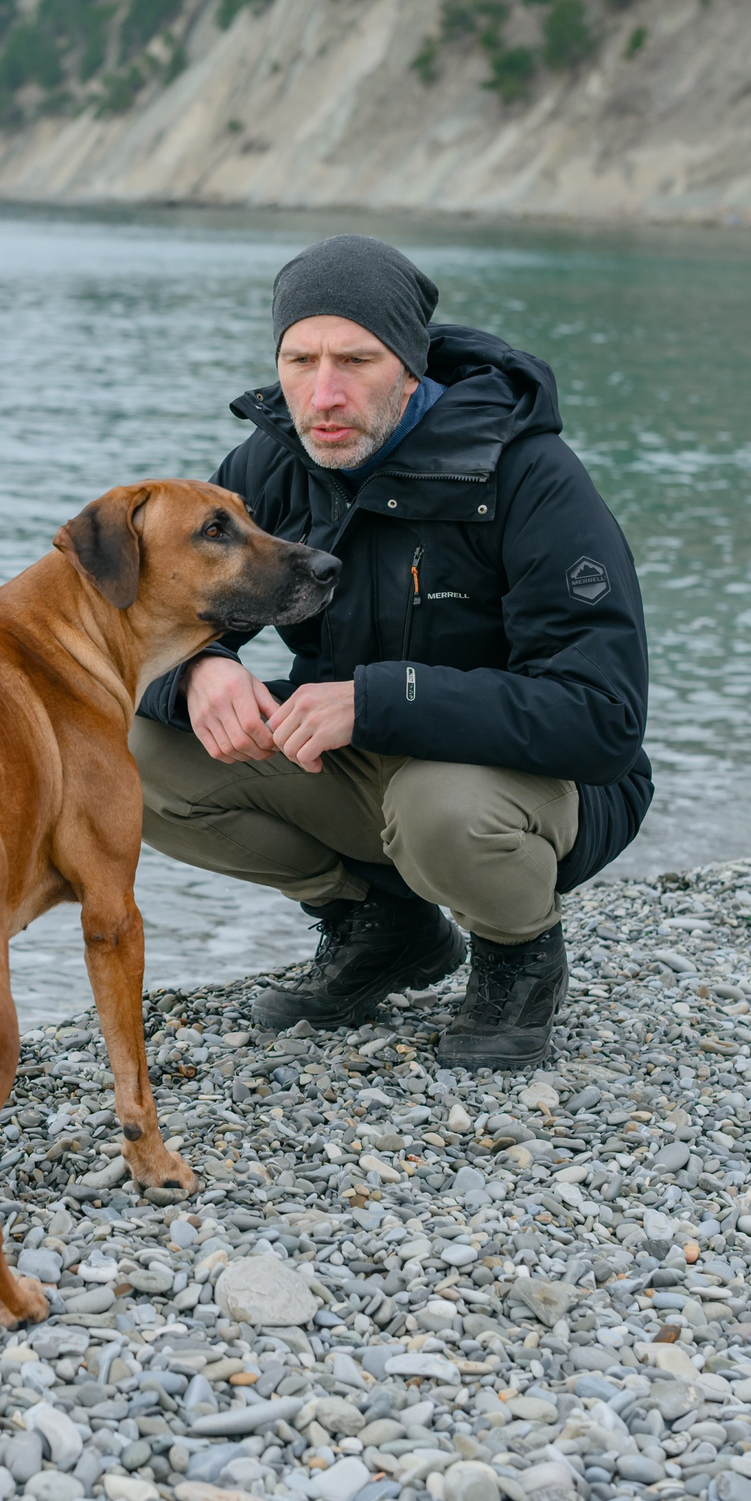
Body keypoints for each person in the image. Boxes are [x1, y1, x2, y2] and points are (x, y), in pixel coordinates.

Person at [131, 234, 651, 1070]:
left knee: (441, 807)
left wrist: (377, 698)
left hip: (546, 786)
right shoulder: (267, 468)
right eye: (299, 360)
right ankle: (383, 929)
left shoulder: (528, 475)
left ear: (410, 366)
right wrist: (196, 669)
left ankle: (518, 957)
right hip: (358, 763)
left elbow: (604, 719)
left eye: (356, 361)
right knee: (132, 753)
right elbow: (134, 631)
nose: (323, 394)